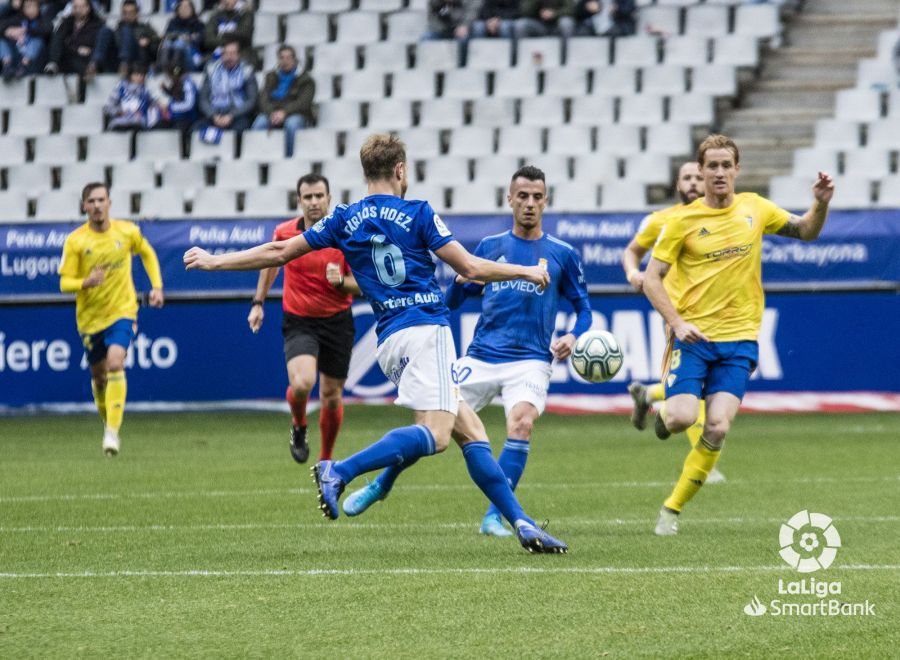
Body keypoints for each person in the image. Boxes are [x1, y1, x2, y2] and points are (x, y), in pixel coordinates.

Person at [184, 133, 568, 554]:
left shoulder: (343, 218)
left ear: (366, 173)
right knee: (436, 436)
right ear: (401, 171)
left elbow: (279, 251)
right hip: (425, 329)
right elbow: (471, 267)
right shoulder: (418, 212)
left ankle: (523, 524)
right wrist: (525, 271)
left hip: (390, 342)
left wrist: (216, 261)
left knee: (471, 432)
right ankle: (340, 470)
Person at [342, 165, 592, 538]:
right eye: (522, 196)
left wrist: (574, 335)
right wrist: (460, 284)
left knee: (521, 422)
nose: (529, 203)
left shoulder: (562, 254)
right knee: (430, 424)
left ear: (546, 200)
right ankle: (382, 483)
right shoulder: (490, 247)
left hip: (531, 360)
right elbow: (454, 300)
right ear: (509, 199)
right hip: (480, 357)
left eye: (537, 197)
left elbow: (583, 308)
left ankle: (495, 516)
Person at [642, 134, 834, 536]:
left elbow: (806, 232)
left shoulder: (755, 208)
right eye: (710, 166)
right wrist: (676, 323)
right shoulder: (682, 221)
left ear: (736, 170)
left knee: (717, 427)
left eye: (725, 165)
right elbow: (651, 279)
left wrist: (820, 202)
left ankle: (670, 511)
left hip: (740, 340)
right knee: (680, 418)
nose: (718, 173)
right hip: (694, 338)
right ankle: (661, 415)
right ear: (701, 171)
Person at [622, 161, 725, 485]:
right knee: (698, 388)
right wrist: (633, 273)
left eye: (698, 176)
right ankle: (704, 464)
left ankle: (650, 395)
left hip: (716, 311)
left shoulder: (724, 218)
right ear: (677, 184)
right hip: (678, 314)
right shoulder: (661, 220)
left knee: (699, 387)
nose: (694, 182)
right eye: (687, 178)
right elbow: (632, 251)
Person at [247, 174, 359, 465]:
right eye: (308, 197)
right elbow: (270, 263)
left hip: (337, 320)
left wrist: (342, 282)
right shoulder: (285, 234)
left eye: (319, 196)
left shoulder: (344, 235)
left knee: (331, 395)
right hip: (300, 320)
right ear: (299, 201)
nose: (314, 202)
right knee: (302, 383)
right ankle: (299, 425)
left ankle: (325, 462)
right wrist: (258, 303)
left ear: (329, 198)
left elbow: (363, 283)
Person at [58, 182, 164, 456]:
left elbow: (148, 253)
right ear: (84, 206)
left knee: (116, 363)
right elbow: (64, 282)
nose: (96, 205)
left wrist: (157, 286)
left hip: (122, 311)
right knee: (99, 377)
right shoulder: (76, 241)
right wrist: (85, 282)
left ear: (109, 202)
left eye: (101, 200)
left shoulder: (127, 231)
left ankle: (112, 432)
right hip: (90, 319)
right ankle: (109, 422)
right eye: (91, 201)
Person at [251, 45, 314, 158]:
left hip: (295, 113)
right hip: (272, 113)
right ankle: (259, 157)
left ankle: (289, 158)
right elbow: (263, 98)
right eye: (282, 57)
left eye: (288, 57)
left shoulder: (306, 79)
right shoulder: (270, 77)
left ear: (294, 59)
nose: (285, 61)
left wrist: (284, 112)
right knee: (259, 124)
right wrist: (272, 113)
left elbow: (304, 102)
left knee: (292, 124)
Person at [198, 34, 257, 134]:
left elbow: (251, 101)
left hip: (237, 115)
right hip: (215, 113)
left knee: (238, 130)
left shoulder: (247, 71)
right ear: (222, 55)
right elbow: (203, 98)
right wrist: (213, 116)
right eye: (226, 54)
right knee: (195, 129)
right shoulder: (211, 70)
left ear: (239, 55)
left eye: (233, 54)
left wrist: (231, 115)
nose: (229, 57)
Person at [44, 0, 113, 78]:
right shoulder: (67, 23)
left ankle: (89, 72)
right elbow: (60, 43)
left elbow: (96, 47)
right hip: (69, 58)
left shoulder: (97, 24)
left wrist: (75, 47)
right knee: (57, 38)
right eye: (75, 7)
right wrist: (76, 49)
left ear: (88, 8)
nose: (78, 10)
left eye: (81, 7)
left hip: (86, 60)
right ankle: (52, 63)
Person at [0, 0, 52, 80]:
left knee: (37, 41)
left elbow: (47, 29)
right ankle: (7, 66)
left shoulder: (42, 19)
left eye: (33, 6)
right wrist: (8, 32)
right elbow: (2, 25)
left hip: (34, 61)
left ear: (38, 7)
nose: (31, 10)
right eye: (27, 7)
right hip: (17, 55)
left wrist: (26, 31)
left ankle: (24, 65)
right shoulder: (19, 19)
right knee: (2, 40)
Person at [103, 63, 160, 131]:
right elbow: (107, 107)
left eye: (142, 75)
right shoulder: (121, 88)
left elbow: (155, 106)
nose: (140, 77)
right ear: (130, 76)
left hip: (140, 123)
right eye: (136, 74)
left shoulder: (146, 91)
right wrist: (120, 112)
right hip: (120, 122)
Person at [112, 0, 158, 74]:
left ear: (137, 13)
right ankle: (124, 65)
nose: (128, 15)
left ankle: (125, 65)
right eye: (125, 13)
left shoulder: (145, 28)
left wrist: (148, 42)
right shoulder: (117, 30)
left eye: (131, 12)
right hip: (119, 61)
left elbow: (157, 45)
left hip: (140, 59)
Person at [157, 0, 204, 72]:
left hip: (192, 56)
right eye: (181, 7)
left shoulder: (198, 24)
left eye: (187, 7)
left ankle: (174, 69)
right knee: (167, 43)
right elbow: (166, 36)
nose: (184, 9)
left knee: (179, 43)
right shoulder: (172, 23)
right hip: (172, 52)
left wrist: (189, 39)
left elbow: (201, 42)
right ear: (177, 10)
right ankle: (164, 68)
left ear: (192, 9)